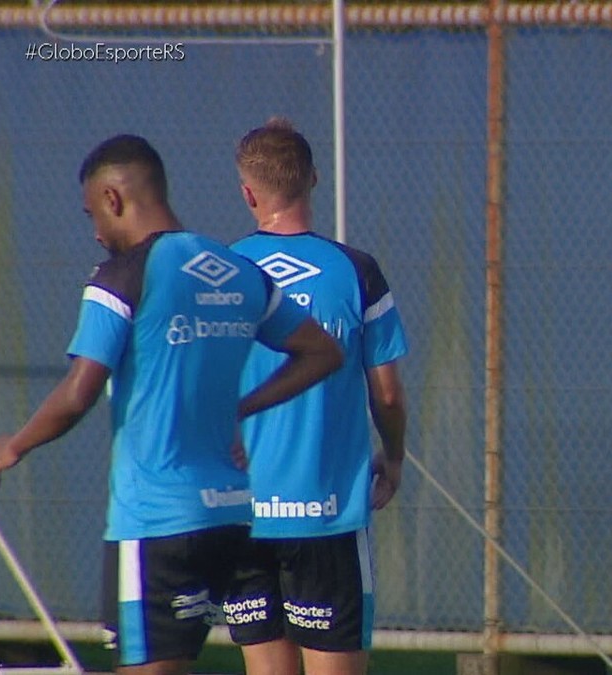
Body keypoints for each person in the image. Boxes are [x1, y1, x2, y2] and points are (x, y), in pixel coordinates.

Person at [0, 135, 344, 674]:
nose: (96, 233)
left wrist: (15, 442)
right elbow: (322, 352)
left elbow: (79, 391)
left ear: (113, 199)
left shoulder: (124, 275)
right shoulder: (237, 270)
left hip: (155, 520)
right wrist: (242, 407)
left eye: (92, 215)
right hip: (227, 517)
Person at [220, 118, 408, 675]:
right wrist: (393, 458)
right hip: (325, 512)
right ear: (315, 179)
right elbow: (389, 392)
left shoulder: (218, 271)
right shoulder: (355, 271)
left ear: (248, 192)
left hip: (242, 512)